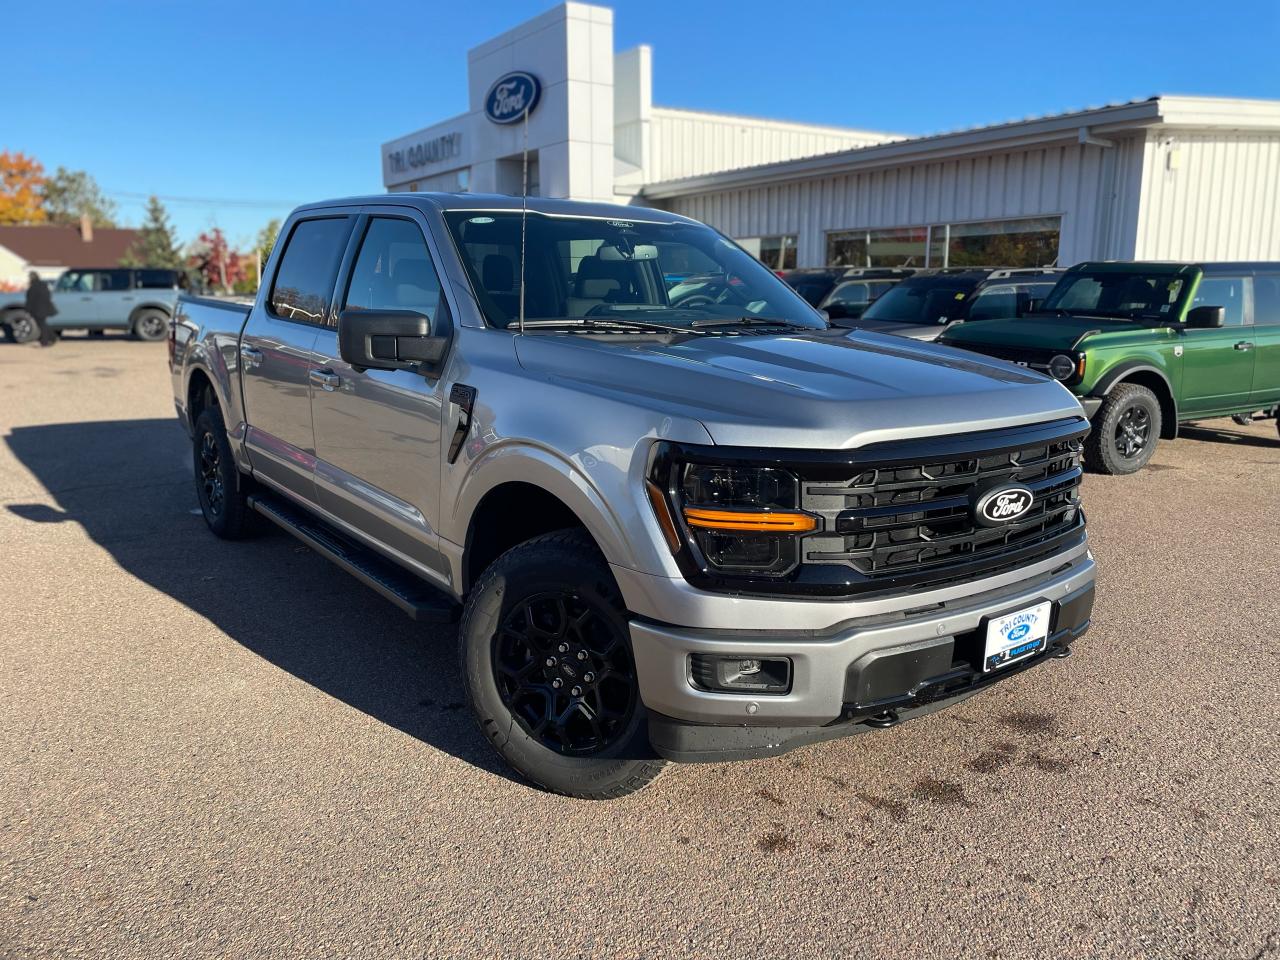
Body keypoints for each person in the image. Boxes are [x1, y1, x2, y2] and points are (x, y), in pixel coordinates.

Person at [25, 271, 58, 347]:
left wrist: (28, 309)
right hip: (44, 308)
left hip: (37, 309)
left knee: (42, 325)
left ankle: (45, 341)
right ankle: (52, 338)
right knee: (43, 324)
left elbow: (30, 299)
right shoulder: (43, 285)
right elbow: (48, 296)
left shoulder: (33, 286)